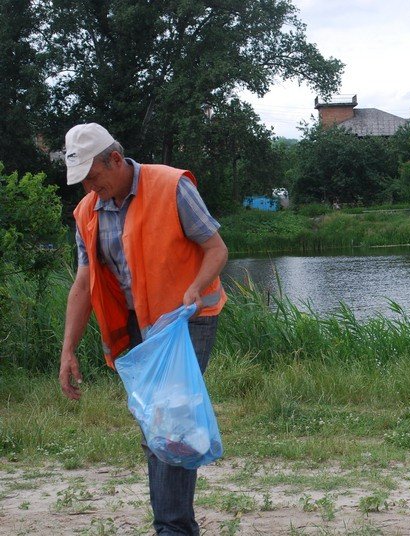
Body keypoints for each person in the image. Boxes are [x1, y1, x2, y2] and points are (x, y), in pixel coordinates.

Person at [59, 123, 228, 535]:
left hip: (185, 325)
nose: (90, 189)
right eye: (82, 183)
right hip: (137, 330)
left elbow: (217, 249)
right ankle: (173, 525)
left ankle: (171, 528)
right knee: (158, 430)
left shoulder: (171, 186)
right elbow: (83, 285)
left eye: (94, 178)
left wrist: (194, 286)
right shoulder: (87, 213)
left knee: (171, 428)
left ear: (115, 159)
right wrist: (68, 350)